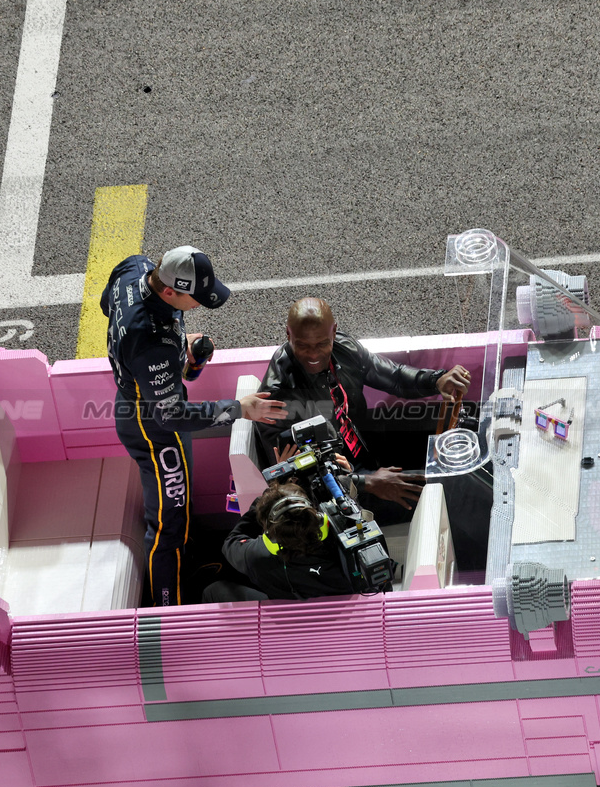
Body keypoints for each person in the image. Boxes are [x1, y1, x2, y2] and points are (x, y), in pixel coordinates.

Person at [101, 246, 287, 607]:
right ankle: (168, 609)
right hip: (154, 430)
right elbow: (171, 415)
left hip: (144, 404)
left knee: (180, 517)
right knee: (169, 527)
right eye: (196, 298)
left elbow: (109, 305)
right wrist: (238, 409)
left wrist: (173, 348)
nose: (200, 304)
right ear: (169, 290)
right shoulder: (151, 341)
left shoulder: (132, 269)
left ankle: (180, 577)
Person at [258, 297, 471, 522]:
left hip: (366, 447)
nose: (313, 354)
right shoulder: (276, 397)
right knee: (443, 490)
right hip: (341, 491)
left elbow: (393, 376)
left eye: (322, 344)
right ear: (288, 335)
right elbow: (296, 480)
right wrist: (367, 482)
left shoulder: (344, 347)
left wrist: (437, 380)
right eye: (302, 345)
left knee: (450, 461)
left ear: (334, 332)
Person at [204, 480, 355, 602]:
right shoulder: (347, 541)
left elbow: (231, 542)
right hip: (342, 621)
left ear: (268, 530)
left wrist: (266, 498)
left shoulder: (257, 556)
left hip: (288, 623)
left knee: (212, 591)